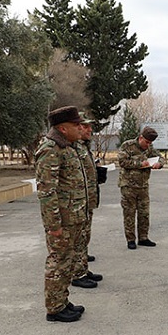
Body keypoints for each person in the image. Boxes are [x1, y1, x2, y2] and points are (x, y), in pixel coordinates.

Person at [35, 106, 91, 322]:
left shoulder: (68, 147)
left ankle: (62, 301)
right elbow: (47, 191)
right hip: (62, 221)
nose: (80, 127)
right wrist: (53, 224)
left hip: (74, 217)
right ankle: (54, 309)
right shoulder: (50, 149)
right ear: (62, 128)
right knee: (58, 262)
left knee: (67, 262)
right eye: (76, 125)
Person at [117, 126, 163, 250]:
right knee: (129, 214)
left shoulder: (150, 148)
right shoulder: (128, 146)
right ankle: (131, 239)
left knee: (144, 214)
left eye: (150, 143)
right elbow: (122, 161)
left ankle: (143, 238)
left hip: (143, 186)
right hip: (128, 186)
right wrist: (139, 164)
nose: (148, 145)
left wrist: (160, 163)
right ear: (141, 138)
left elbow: (160, 157)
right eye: (147, 142)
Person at [71, 112, 102, 289]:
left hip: (88, 199)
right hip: (78, 201)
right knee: (79, 238)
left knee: (84, 236)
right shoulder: (74, 147)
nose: (90, 129)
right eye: (86, 126)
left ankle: (83, 268)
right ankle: (78, 273)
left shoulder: (83, 146)